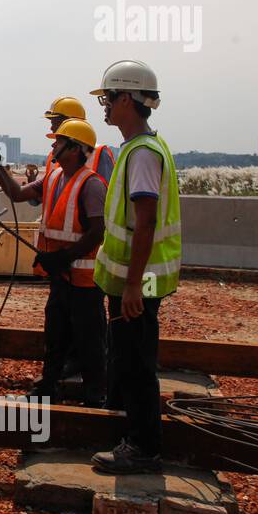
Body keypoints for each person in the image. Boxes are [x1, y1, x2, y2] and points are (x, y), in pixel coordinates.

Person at [87, 59, 181, 475]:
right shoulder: (138, 149)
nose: (104, 107)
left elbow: (144, 222)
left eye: (108, 98)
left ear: (127, 98)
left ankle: (144, 448)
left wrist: (130, 287)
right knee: (128, 358)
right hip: (134, 279)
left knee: (137, 362)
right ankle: (131, 434)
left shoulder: (141, 154)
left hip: (137, 282)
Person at [0, 120, 108, 406]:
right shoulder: (53, 178)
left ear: (74, 149)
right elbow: (16, 193)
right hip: (61, 277)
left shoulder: (92, 184)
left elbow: (98, 231)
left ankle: (96, 396)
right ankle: (48, 387)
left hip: (85, 282)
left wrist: (64, 257)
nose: (53, 146)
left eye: (58, 142)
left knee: (89, 341)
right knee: (55, 335)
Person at [40, 96, 115, 186]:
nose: (52, 128)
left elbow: (107, 192)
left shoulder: (99, 153)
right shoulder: (53, 156)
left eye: (56, 123)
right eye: (52, 123)